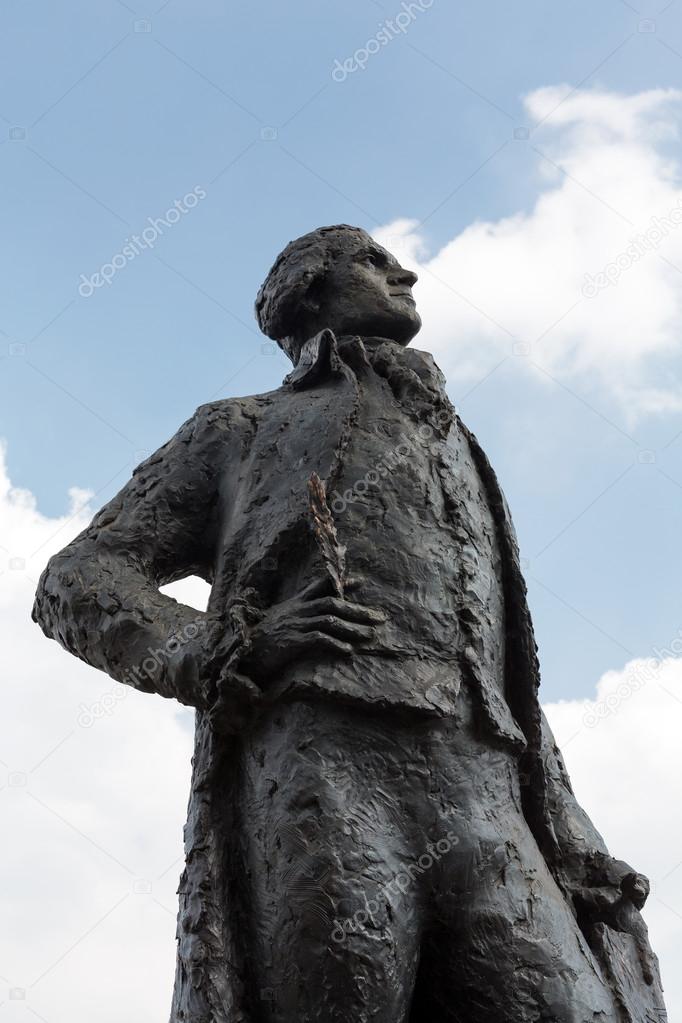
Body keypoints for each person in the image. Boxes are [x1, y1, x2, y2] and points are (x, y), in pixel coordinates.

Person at [33, 225, 666, 1022]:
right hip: (325, 777)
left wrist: (567, 825)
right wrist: (224, 645)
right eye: (370, 259)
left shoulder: (456, 440)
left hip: (490, 792)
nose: (403, 271)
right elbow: (77, 577)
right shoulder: (240, 428)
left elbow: (502, 660)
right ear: (309, 291)